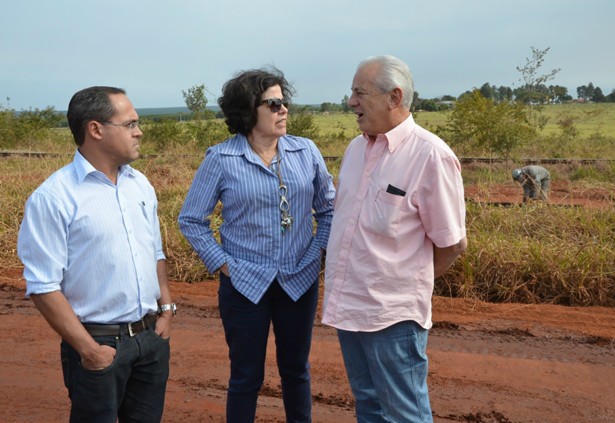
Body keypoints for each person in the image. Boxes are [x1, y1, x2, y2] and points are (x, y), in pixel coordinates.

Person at [178, 67, 335, 423]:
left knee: (296, 370)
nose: (284, 110)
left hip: (299, 279)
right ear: (249, 110)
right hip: (244, 284)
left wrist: (316, 255)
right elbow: (191, 219)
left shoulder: (305, 151)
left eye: (284, 102)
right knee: (246, 376)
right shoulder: (221, 158)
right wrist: (224, 264)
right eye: (274, 103)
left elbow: (329, 210)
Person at [322, 55, 468, 422]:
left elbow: (452, 243)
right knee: (368, 407)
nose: (351, 102)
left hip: (393, 317)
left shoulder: (430, 155)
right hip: (350, 307)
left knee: (404, 413)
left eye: (360, 93)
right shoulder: (357, 149)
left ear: (394, 97)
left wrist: (407, 286)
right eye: (351, 93)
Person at [17, 86, 175, 423]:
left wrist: (166, 310)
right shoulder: (54, 197)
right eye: (130, 123)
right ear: (96, 129)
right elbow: (43, 284)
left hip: (150, 339)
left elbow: (155, 252)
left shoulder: (140, 185)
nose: (139, 131)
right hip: (98, 344)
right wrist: (89, 350)